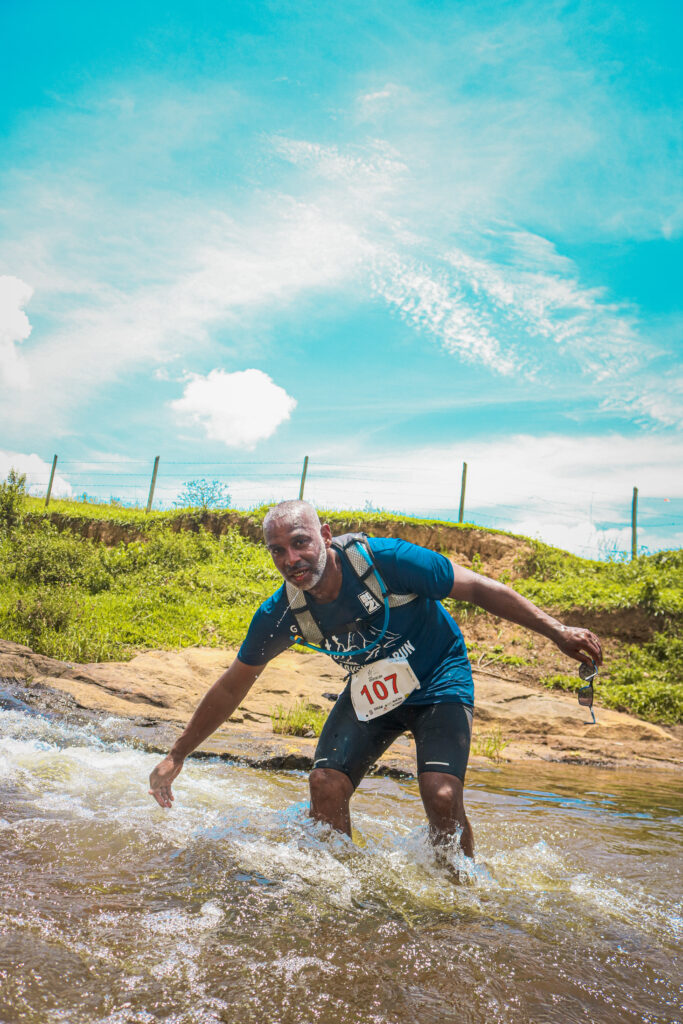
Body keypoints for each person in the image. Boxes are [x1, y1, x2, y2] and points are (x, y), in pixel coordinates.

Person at [149, 501, 602, 857]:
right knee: (325, 785)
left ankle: (462, 894)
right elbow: (233, 684)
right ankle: (342, 888)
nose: (292, 559)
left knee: (442, 796)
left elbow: (478, 588)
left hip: (438, 678)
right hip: (373, 692)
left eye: (301, 543)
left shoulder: (387, 561)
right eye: (278, 551)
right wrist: (176, 754)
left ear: (325, 536)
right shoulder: (281, 614)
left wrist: (557, 631)